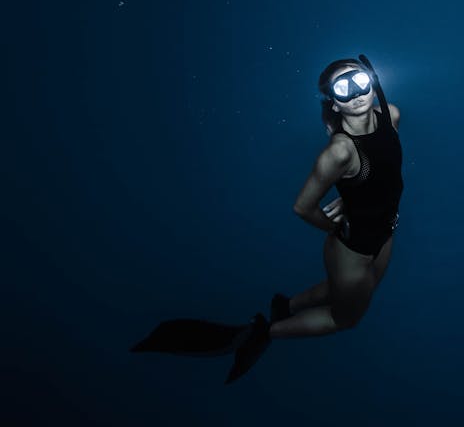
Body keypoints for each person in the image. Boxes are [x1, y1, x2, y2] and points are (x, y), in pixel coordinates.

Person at [130, 54, 403, 383]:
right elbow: (302, 207)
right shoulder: (339, 153)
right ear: (333, 102)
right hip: (352, 250)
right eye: (342, 88)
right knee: (345, 318)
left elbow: (384, 169)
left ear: (373, 82)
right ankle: (263, 333)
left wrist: (352, 198)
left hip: (386, 233)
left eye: (360, 82)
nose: (356, 93)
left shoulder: (391, 115)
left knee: (366, 287)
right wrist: (338, 225)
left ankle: (286, 305)